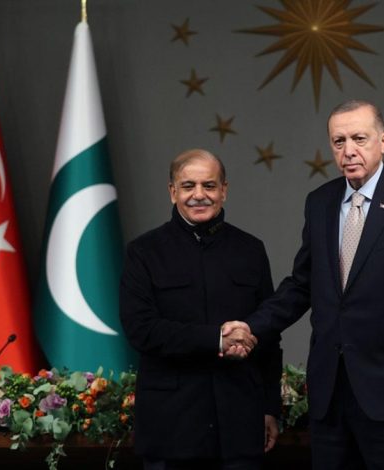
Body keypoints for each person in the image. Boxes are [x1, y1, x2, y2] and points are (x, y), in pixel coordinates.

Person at [224, 99, 384, 469]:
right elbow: (301, 285)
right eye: (339, 141)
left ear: (383, 141)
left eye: (359, 139)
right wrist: (251, 327)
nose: (348, 150)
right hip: (330, 394)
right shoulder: (320, 202)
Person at [120, 149, 282, 470]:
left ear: (224, 190)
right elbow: (141, 330)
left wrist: (269, 408)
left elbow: (269, 338)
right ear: (172, 192)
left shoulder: (250, 250)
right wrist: (216, 339)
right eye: (188, 186)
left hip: (239, 424)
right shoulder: (143, 252)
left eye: (209, 185)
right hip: (172, 426)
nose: (199, 195)